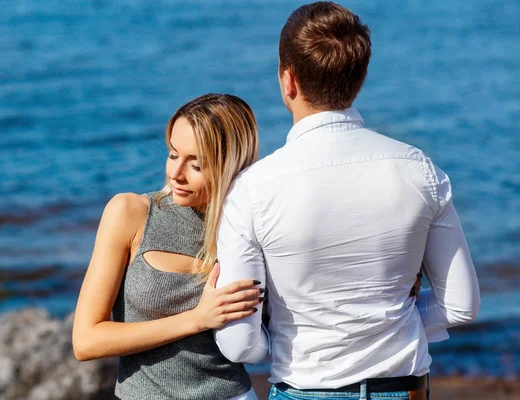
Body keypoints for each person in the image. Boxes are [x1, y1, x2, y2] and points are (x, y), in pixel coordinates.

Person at [213, 2, 480, 400]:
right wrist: (390, 319)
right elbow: (461, 305)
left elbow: (239, 343)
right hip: (404, 390)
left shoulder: (253, 189)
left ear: (288, 81)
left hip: (304, 389)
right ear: (360, 76)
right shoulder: (418, 170)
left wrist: (288, 334)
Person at [72, 93, 264, 400]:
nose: (175, 173)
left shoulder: (248, 228)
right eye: (173, 154)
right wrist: (196, 320)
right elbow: (86, 341)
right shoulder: (131, 214)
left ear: (229, 164)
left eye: (196, 165)